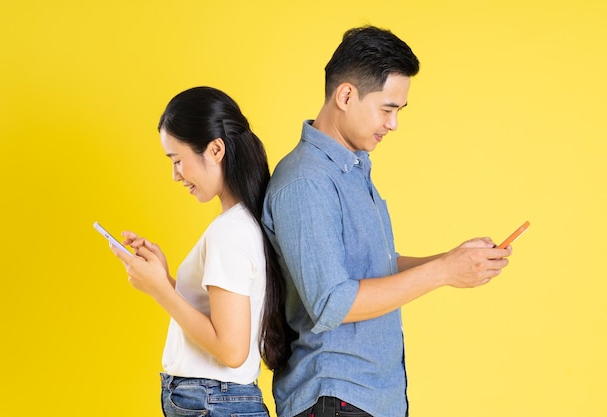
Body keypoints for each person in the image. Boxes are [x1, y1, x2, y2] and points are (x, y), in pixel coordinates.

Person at [261, 26, 512, 417]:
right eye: (387, 108)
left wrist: (452, 258)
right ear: (346, 95)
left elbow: (373, 267)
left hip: (371, 398)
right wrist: (444, 272)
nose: (393, 124)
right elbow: (332, 303)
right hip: (335, 397)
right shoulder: (306, 181)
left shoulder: (350, 170)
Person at [110, 86, 293, 417]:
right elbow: (219, 321)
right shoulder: (240, 225)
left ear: (216, 149)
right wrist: (165, 278)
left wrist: (160, 290)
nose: (175, 175)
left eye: (178, 160)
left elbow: (230, 348)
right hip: (216, 400)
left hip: (213, 401)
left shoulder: (230, 232)